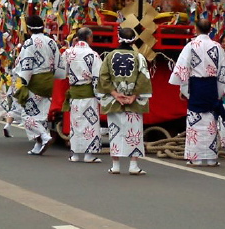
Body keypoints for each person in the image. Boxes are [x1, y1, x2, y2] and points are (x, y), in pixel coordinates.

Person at [170, 19, 225, 167]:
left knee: (195, 123)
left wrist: (184, 90)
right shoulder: (217, 47)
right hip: (211, 86)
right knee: (211, 122)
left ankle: (195, 157)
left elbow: (183, 69)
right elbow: (223, 72)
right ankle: (210, 158)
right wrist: (219, 92)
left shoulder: (190, 46)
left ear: (196, 29)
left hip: (196, 86)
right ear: (210, 29)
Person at [97, 27, 152, 175]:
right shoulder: (139, 57)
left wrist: (115, 94)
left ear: (118, 38)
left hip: (115, 101)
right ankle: (133, 165)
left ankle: (115, 165)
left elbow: (103, 77)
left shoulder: (109, 56)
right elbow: (143, 78)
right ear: (133, 40)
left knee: (115, 132)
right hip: (133, 102)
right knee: (134, 132)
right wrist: (133, 96)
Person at [12, 15, 65, 156]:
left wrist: (24, 80)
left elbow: (26, 64)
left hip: (35, 81)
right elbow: (59, 63)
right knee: (41, 114)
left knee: (27, 114)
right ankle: (38, 144)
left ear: (29, 29)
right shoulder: (51, 42)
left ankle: (45, 136)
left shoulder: (29, 43)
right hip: (49, 80)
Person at [62, 27, 103, 163]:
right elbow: (98, 77)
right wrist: (100, 97)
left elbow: (62, 71)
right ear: (90, 38)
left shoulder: (69, 53)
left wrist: (71, 46)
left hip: (75, 93)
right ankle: (89, 155)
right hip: (88, 93)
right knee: (90, 123)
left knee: (76, 123)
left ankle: (75, 154)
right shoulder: (93, 55)